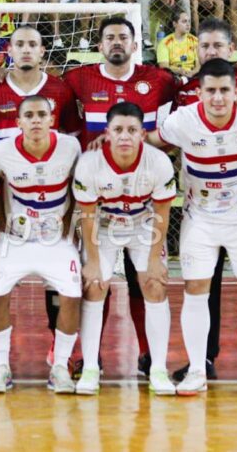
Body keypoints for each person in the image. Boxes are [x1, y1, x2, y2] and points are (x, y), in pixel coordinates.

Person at [156, 58, 237, 398]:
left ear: (236, 90)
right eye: (210, 90)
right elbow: (151, 138)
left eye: (225, 90)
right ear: (198, 93)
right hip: (200, 220)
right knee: (196, 288)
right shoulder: (182, 120)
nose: (218, 98)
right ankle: (197, 371)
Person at [73, 102, 176, 396]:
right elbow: (87, 216)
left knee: (154, 284)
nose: (124, 136)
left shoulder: (158, 162)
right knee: (95, 286)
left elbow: (162, 213)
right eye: (118, 130)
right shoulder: (89, 163)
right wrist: (93, 262)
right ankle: (90, 368)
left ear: (142, 134)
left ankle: (158, 369)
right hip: (103, 224)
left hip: (144, 224)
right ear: (107, 133)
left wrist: (155, 260)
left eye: (132, 130)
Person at [0, 96, 82, 394]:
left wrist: (71, 222)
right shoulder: (0, 151)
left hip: (56, 239)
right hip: (16, 237)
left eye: (42, 114)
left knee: (72, 295)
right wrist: (0, 225)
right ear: (18, 122)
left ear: (52, 119)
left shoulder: (70, 147)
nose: (36, 120)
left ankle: (60, 365)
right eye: (29, 115)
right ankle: (1, 364)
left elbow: (78, 187)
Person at [0, 25, 80, 143]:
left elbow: (74, 138)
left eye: (32, 45)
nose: (26, 50)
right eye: (19, 45)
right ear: (9, 51)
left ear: (42, 51)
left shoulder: (61, 89)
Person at [156, 8, 198, 75]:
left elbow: (199, 65)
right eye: (184, 21)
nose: (188, 24)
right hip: (173, 75)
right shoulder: (165, 43)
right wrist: (178, 71)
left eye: (189, 21)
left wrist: (192, 73)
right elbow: (164, 66)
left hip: (193, 74)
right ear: (175, 24)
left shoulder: (195, 41)